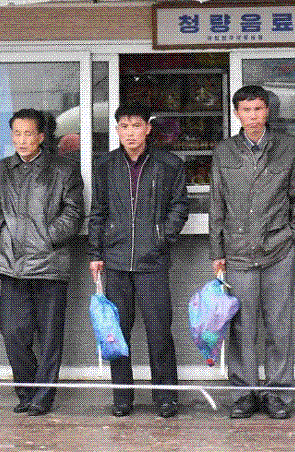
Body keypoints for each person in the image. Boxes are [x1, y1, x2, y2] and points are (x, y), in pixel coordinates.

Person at [209, 85, 295, 420]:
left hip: (278, 249)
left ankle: (279, 395)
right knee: (242, 327)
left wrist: (294, 235)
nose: (252, 116)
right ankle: (244, 394)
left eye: (258, 109)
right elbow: (217, 204)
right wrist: (217, 251)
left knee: (279, 325)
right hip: (237, 252)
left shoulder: (290, 148)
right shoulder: (224, 151)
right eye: (246, 110)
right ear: (236, 113)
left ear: (267, 111)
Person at [88, 102, 189, 418]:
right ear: (117, 130)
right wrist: (95, 253)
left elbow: (179, 207)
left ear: (148, 129)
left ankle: (166, 397)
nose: (130, 133)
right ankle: (122, 397)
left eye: (136, 126)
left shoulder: (168, 164)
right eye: (124, 126)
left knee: (159, 332)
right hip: (116, 260)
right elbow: (98, 212)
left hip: (152, 262)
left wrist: (161, 236)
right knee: (117, 333)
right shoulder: (105, 165)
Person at [0, 108, 84, 416]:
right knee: (12, 331)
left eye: (28, 133)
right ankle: (26, 391)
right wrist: (3, 231)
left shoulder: (63, 169)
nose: (22, 140)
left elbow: (74, 213)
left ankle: (42, 398)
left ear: (41, 136)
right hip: (12, 264)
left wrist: (45, 238)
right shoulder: (1, 170)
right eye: (17, 133)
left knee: (49, 336)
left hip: (50, 265)